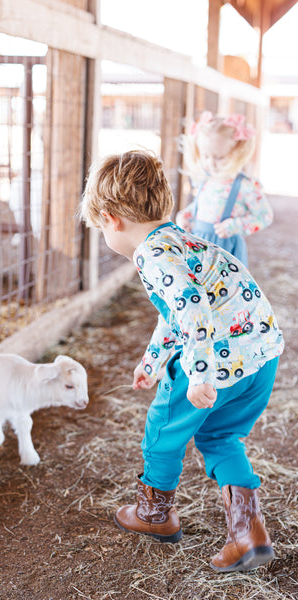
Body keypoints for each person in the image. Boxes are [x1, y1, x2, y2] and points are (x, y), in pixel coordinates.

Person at [80, 150, 284, 573]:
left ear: (111, 218)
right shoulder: (182, 242)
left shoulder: (153, 255)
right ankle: (249, 534)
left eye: (100, 227)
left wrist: (198, 375)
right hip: (260, 357)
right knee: (221, 438)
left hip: (216, 362)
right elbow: (178, 312)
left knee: (162, 429)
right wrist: (152, 361)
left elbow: (192, 310)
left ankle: (154, 514)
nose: (105, 234)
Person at [176, 111, 273, 266]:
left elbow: (264, 216)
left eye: (219, 157)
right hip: (197, 243)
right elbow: (201, 206)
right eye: (206, 156)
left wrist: (235, 226)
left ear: (236, 153)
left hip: (225, 249)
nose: (211, 163)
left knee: (222, 289)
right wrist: (186, 215)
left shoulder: (245, 185)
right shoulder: (206, 180)